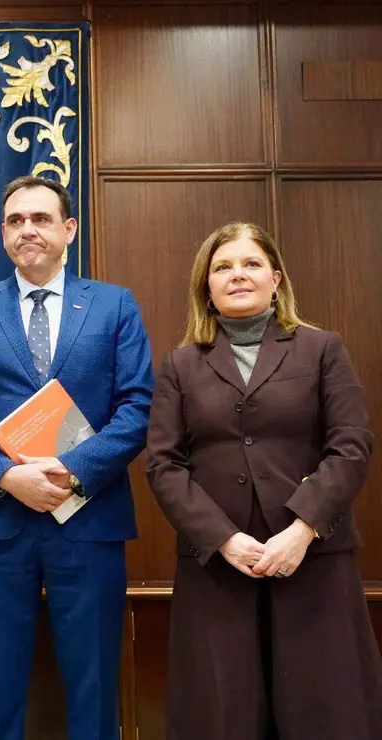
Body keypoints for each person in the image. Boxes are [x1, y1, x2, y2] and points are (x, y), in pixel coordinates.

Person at [0, 175, 154, 740]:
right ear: (3, 233)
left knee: (94, 685)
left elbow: (136, 407)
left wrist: (70, 472)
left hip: (89, 519)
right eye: (15, 221)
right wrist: (8, 475)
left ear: (68, 229)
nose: (27, 230)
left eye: (40, 218)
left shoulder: (113, 304)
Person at [145, 222, 382, 739]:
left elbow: (351, 444)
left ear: (276, 278)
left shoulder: (322, 349)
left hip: (312, 556)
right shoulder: (181, 364)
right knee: (223, 710)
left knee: (322, 707)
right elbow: (163, 463)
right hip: (219, 565)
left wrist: (303, 530)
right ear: (205, 287)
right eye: (223, 267)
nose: (238, 275)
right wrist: (223, 538)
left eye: (251, 264)